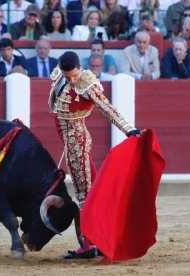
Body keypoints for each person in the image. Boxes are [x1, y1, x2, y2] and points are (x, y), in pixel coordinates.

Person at [47, 51, 141, 259]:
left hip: (77, 143)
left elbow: (108, 108)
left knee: (85, 195)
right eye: (67, 76)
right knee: (91, 191)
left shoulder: (87, 84)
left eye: (74, 75)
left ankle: (89, 244)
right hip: (71, 142)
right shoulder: (62, 75)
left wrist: (128, 129)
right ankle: (96, 240)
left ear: (80, 67)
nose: (72, 80)